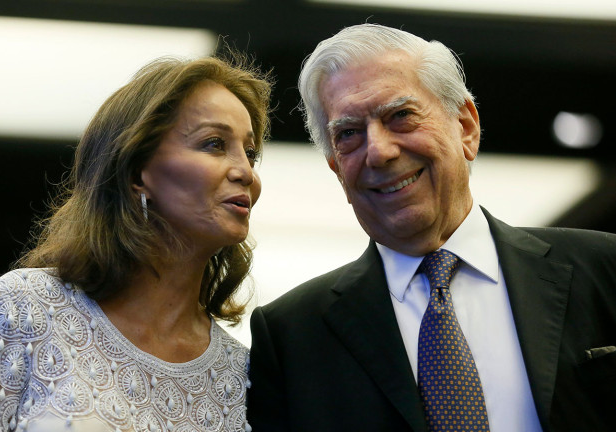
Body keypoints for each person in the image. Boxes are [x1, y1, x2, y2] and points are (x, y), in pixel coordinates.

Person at [247, 23, 616, 432]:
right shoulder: (292, 336)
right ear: (336, 169)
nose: (380, 152)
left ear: (466, 127)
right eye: (349, 133)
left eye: (401, 116)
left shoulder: (603, 269)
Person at [0, 53, 271, 431]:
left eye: (250, 153)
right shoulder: (23, 308)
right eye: (214, 144)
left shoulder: (243, 375)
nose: (245, 172)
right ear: (138, 171)